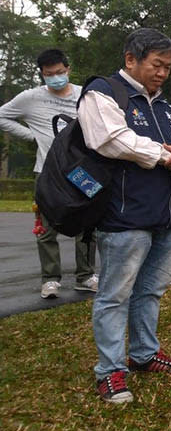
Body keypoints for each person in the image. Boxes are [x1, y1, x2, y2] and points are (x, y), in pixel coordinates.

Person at [78, 28, 171, 403]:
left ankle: (145, 354)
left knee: (150, 291)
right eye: (156, 65)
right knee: (115, 295)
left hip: (165, 215)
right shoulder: (104, 92)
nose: (163, 73)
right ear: (131, 59)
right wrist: (166, 155)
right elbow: (110, 138)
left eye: (167, 67)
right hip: (123, 217)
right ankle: (110, 371)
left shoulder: (164, 106)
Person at [0, 48, 97, 298]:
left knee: (87, 225)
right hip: (47, 172)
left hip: (81, 172)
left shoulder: (83, 95)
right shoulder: (30, 98)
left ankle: (85, 276)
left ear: (68, 69)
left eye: (60, 72)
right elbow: (2, 116)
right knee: (46, 228)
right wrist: (30, 135)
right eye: (49, 74)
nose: (56, 77)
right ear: (42, 75)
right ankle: (50, 279)